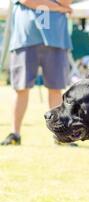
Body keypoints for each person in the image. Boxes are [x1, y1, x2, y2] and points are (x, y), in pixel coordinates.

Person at [1, 0, 73, 146]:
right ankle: (15, 133)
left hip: (56, 38)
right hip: (26, 38)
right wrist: (59, 7)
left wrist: (56, 5)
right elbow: (27, 1)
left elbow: (67, 1)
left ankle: (60, 135)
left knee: (56, 89)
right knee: (20, 88)